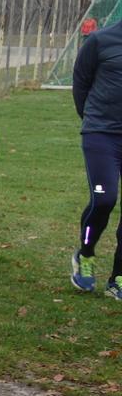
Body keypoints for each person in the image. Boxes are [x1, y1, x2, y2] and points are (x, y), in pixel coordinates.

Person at [72, 18, 122, 298]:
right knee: (104, 199)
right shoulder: (100, 41)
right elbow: (81, 84)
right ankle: (86, 253)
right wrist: (94, 119)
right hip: (102, 135)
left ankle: (118, 277)